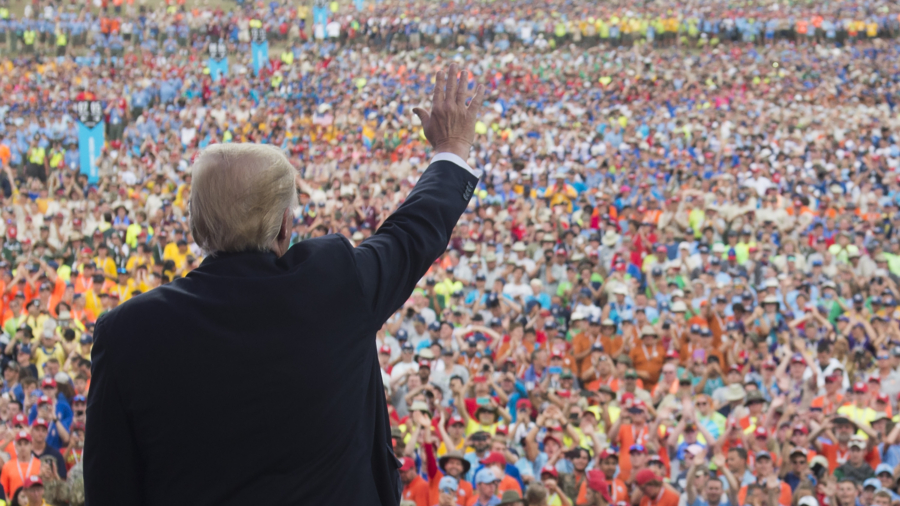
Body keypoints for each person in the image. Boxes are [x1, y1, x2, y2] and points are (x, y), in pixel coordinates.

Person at [85, 64, 486, 505]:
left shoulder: (126, 331)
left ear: (197, 227)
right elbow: (412, 234)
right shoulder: (333, 284)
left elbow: (109, 489)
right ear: (283, 225)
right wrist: (451, 147)